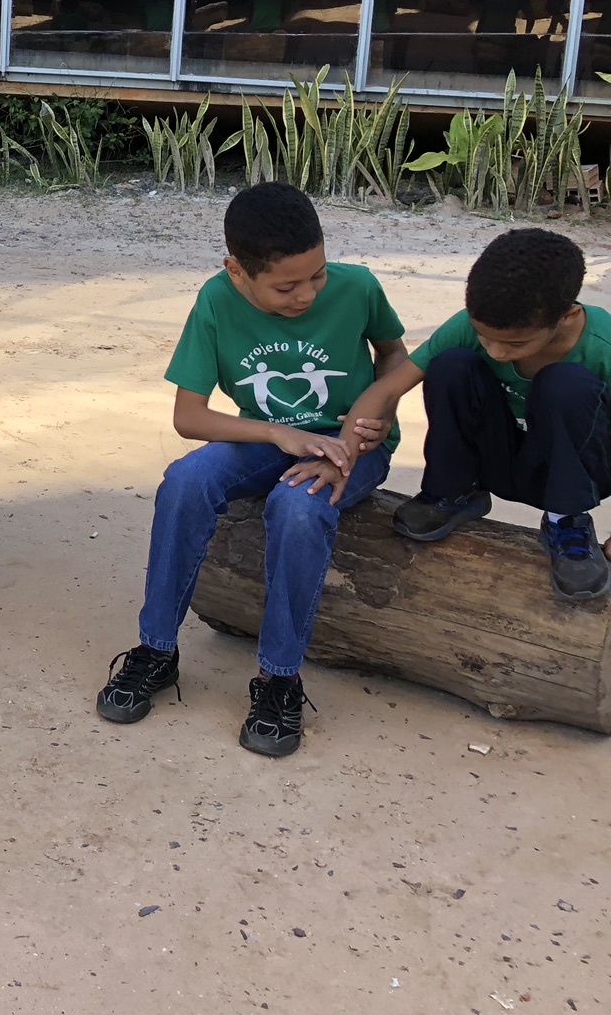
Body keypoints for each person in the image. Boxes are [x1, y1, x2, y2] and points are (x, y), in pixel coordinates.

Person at [97, 182, 407, 756]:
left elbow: (394, 355)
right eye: (286, 287)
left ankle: (279, 678)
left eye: (317, 276)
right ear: (237, 271)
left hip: (351, 447)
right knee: (185, 481)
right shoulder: (216, 300)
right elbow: (189, 417)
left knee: (297, 507)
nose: (307, 295)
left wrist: (377, 413)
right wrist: (275, 432)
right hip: (269, 440)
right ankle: (156, 649)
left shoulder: (359, 286)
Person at [348, 228, 611, 601]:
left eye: (515, 343)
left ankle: (566, 522)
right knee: (450, 365)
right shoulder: (469, 327)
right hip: (501, 460)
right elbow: (388, 388)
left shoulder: (603, 344)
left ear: (567, 316)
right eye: (484, 336)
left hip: (573, 470)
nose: (496, 352)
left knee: (563, 384)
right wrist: (341, 454)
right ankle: (454, 493)